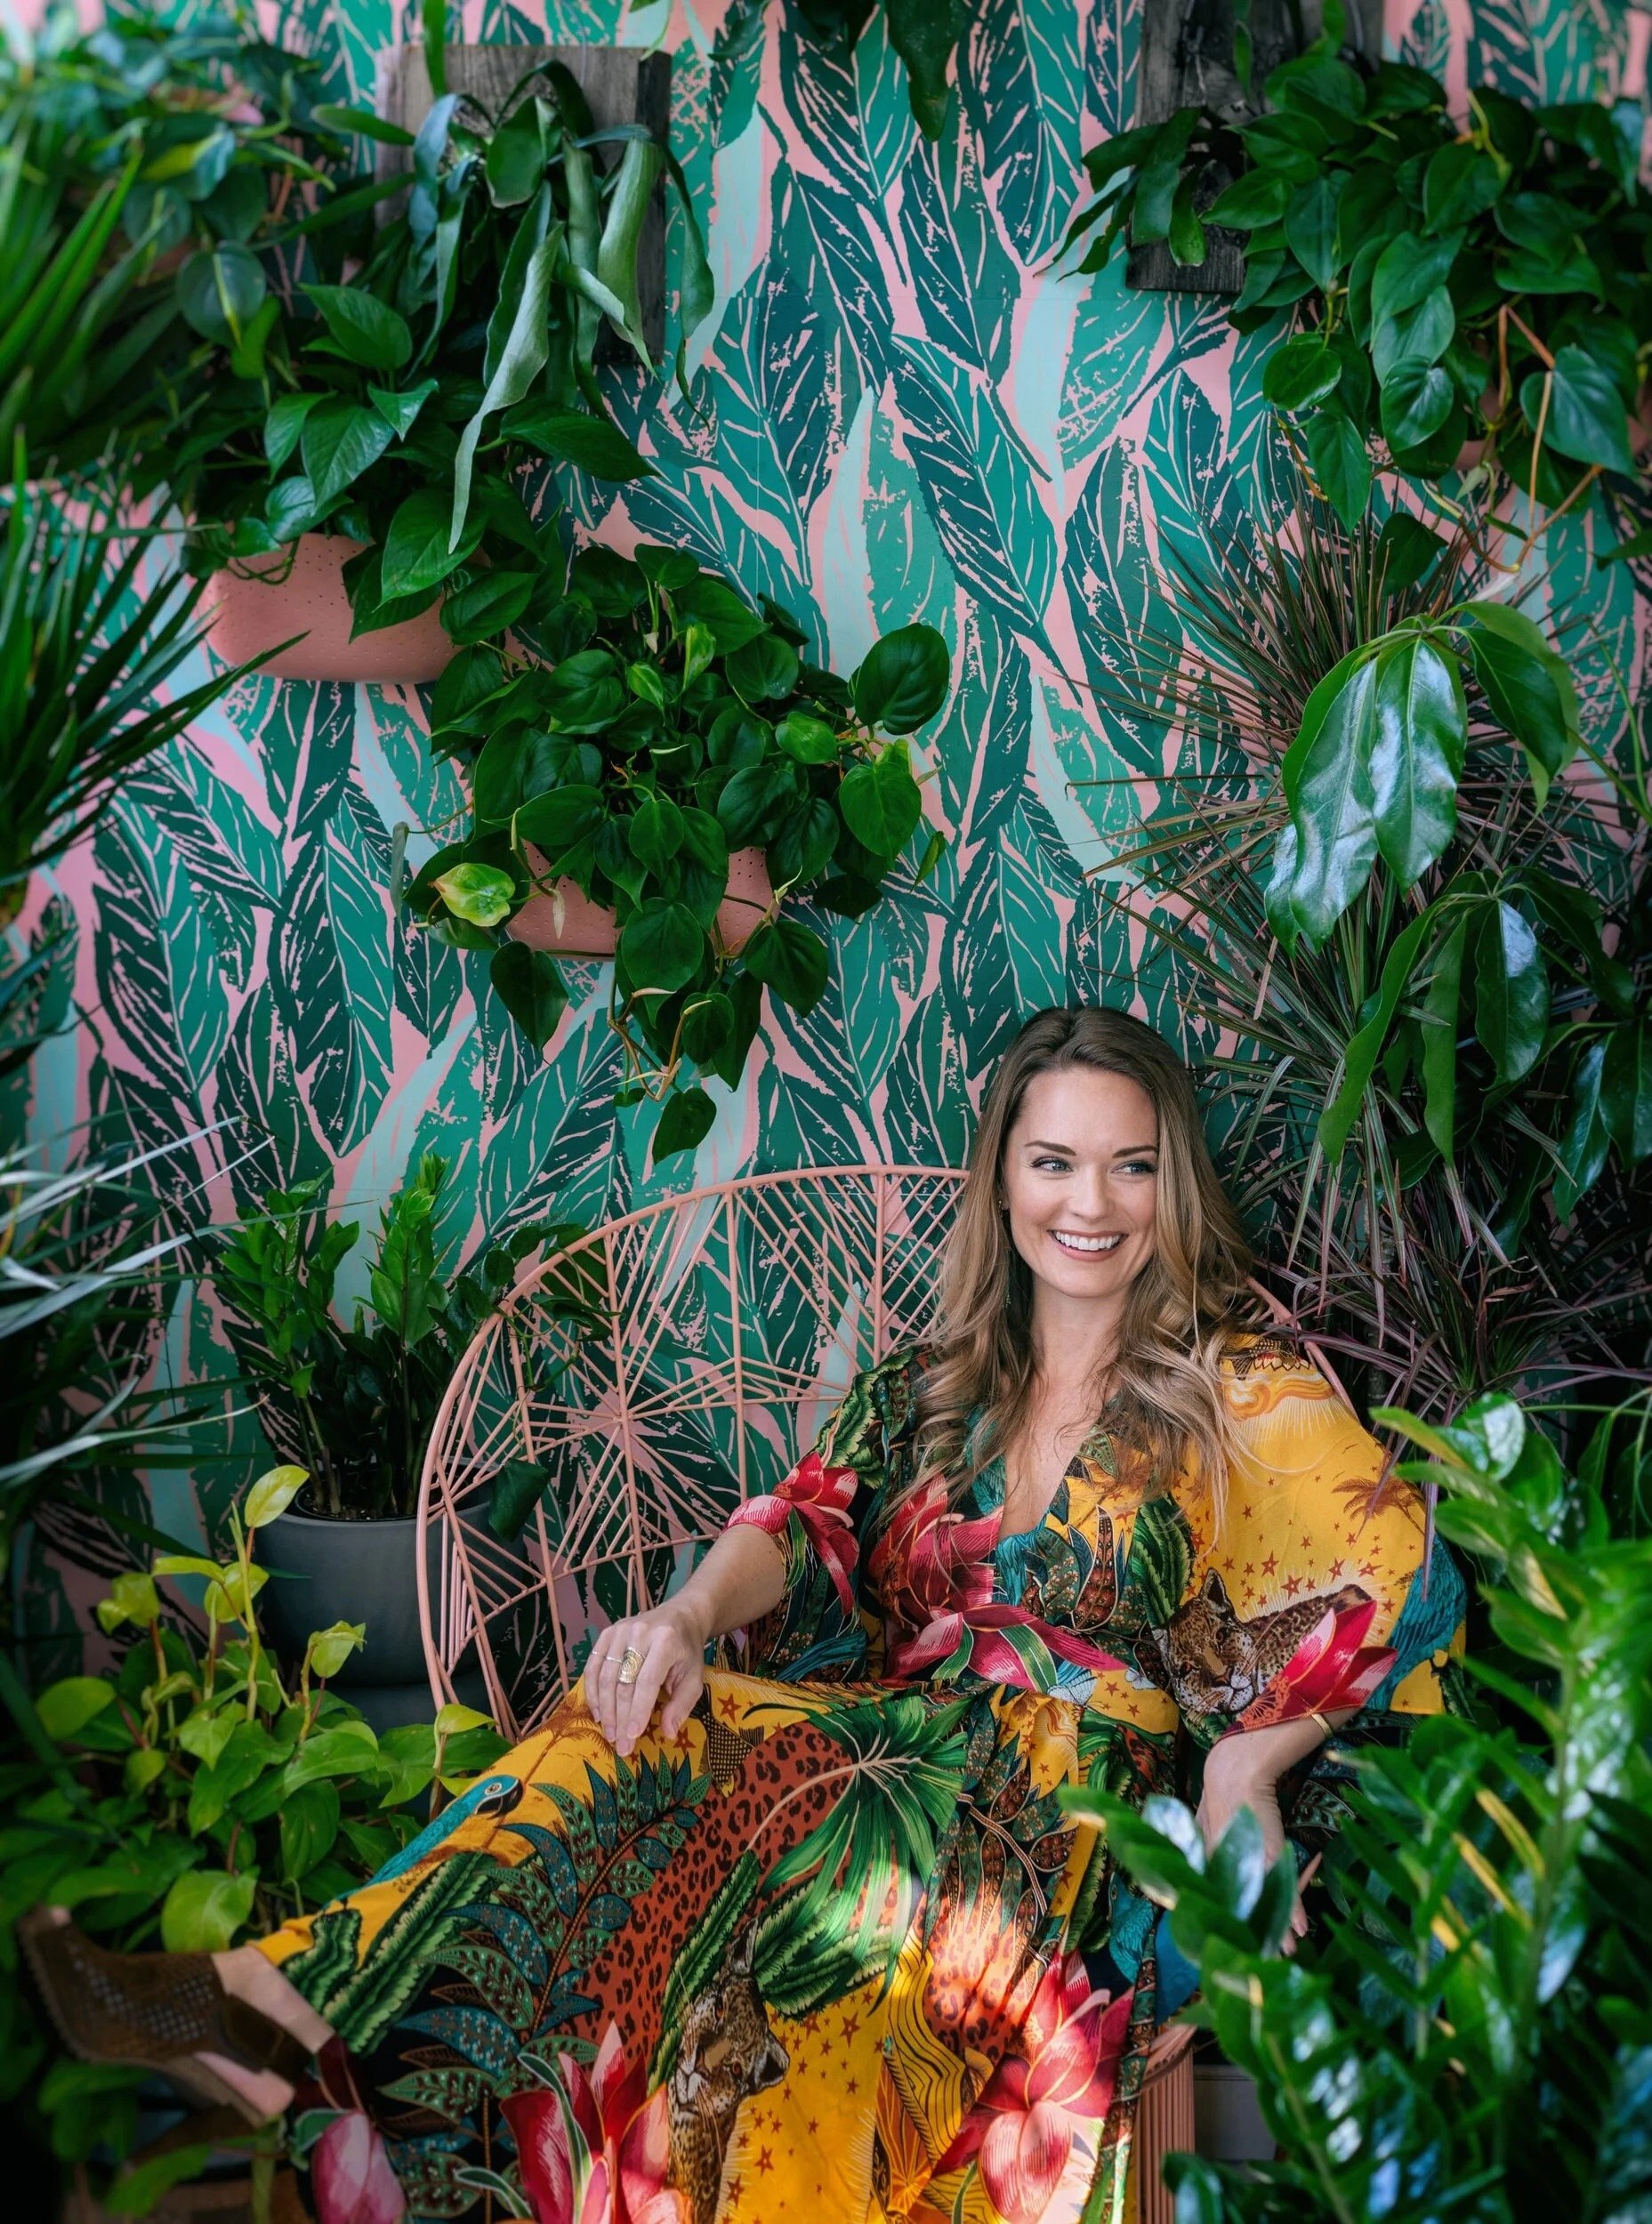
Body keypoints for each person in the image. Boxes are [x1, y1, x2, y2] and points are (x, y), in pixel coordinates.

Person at [25, 1006, 1463, 2224]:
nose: (1089, 1204)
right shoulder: (944, 1382)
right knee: (633, 1730)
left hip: (1049, 1819)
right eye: (1054, 1162)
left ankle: (283, 2023)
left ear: (1176, 1185)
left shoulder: (1235, 1383)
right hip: (871, 1779)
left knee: (695, 1797)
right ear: (1003, 1180)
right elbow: (806, 1519)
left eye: (1129, 1167)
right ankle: (280, 2015)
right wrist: (681, 1613)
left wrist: (1242, 1763)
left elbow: (1400, 1581)